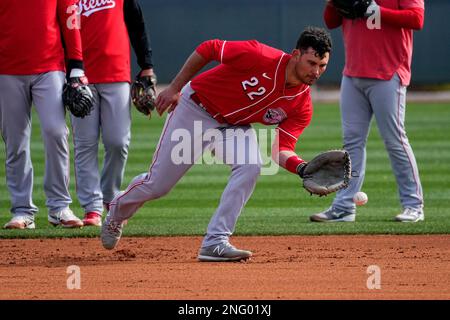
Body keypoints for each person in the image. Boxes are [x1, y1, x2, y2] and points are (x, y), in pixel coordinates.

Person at [101, 26, 332, 261]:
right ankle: (117, 211)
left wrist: (302, 168)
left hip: (233, 125)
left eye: (322, 66)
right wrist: (174, 88)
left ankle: (215, 241)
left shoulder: (302, 104)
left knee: (251, 166)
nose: (316, 71)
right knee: (158, 186)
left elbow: (281, 149)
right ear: (295, 55)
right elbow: (209, 48)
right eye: (311, 63)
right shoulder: (260, 55)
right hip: (196, 109)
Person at [310, 0, 425, 223]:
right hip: (353, 73)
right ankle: (344, 206)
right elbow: (331, 21)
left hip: (389, 73)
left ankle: (413, 205)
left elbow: (416, 19)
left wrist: (377, 11)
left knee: (395, 140)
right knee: (351, 143)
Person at [0, 0, 87, 229]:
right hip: (6, 68)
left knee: (56, 131)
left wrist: (76, 64)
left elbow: (70, 17)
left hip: (50, 65)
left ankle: (59, 207)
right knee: (15, 140)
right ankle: (22, 211)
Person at [72, 0, 155, 227]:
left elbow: (137, 25)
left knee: (118, 141)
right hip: (80, 75)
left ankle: (110, 197)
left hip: (116, 71)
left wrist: (146, 64)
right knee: (85, 143)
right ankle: (92, 207)